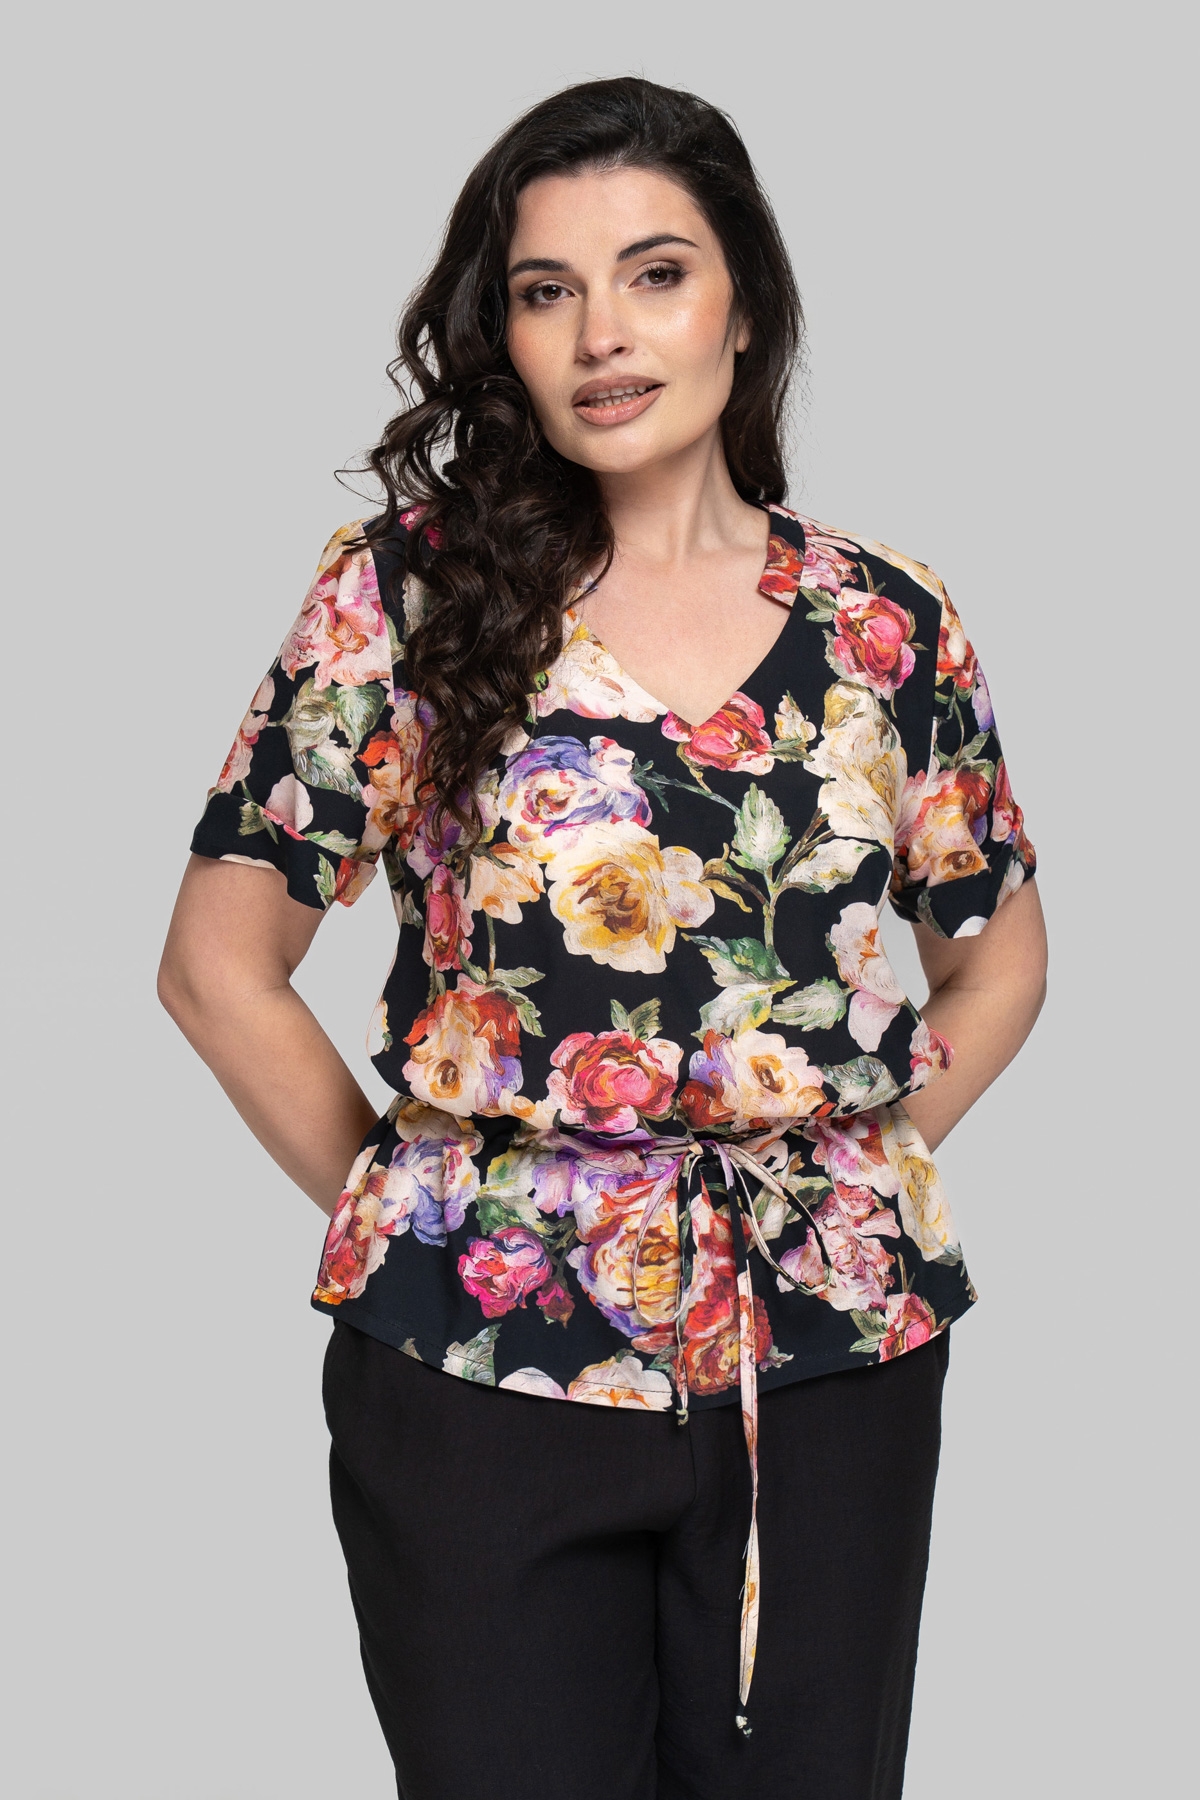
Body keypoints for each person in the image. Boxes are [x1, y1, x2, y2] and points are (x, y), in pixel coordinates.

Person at [159, 75, 1047, 1800]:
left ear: (746, 305)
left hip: (828, 1376)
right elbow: (216, 964)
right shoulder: (409, 593)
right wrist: (423, 1208)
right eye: (545, 290)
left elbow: (1000, 954)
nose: (601, 335)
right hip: (485, 1365)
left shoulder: (887, 622)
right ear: (503, 333)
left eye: (656, 273)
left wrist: (845, 1183)